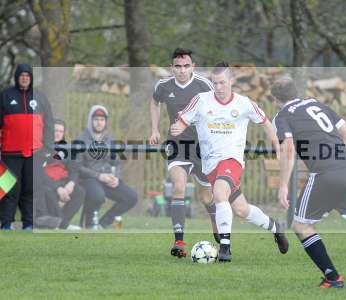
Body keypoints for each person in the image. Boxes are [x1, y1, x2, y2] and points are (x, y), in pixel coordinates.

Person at [171, 62, 288, 262]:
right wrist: (178, 127)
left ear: (231, 81)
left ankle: (225, 248)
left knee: (218, 194)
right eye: (215, 83)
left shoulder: (243, 103)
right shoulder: (201, 100)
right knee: (241, 209)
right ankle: (276, 227)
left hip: (232, 160)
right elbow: (182, 119)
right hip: (210, 165)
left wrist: (277, 146)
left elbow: (266, 122)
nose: (218, 87)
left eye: (222, 83)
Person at [271, 76, 346, 288]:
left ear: (275, 100)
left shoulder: (281, 116)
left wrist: (283, 185)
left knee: (300, 225)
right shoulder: (316, 103)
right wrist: (340, 157)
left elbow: (288, 150)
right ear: (295, 92)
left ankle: (333, 277)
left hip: (325, 175)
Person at [149, 48, 218, 257]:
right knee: (178, 187)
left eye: (186, 66)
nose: (181, 70)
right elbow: (154, 102)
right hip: (177, 146)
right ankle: (179, 241)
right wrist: (155, 129)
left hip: (202, 148)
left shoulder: (203, 85)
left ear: (192, 67)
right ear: (172, 68)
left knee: (206, 196)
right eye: (177, 66)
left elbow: (216, 108)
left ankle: (215, 220)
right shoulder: (163, 86)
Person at [0, 63, 54, 230]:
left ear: (31, 78)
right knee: (9, 189)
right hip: (9, 153)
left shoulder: (40, 98)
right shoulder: (5, 96)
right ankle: (6, 224)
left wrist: (47, 149)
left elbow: (49, 125)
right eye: (22, 75)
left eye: (28, 75)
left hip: (35, 153)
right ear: (17, 77)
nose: (25, 78)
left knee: (30, 190)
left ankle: (28, 224)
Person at [77, 105, 138, 228]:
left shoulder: (110, 140)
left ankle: (103, 224)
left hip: (108, 179)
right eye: (96, 119)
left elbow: (116, 163)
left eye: (102, 120)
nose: (99, 123)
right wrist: (99, 176)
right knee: (97, 196)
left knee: (131, 197)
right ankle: (88, 224)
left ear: (106, 122)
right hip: (89, 179)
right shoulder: (81, 140)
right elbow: (78, 167)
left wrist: (116, 177)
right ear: (90, 120)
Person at [38, 119, 85, 230]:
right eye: (55, 130)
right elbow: (39, 172)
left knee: (80, 192)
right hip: (46, 183)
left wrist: (71, 183)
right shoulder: (41, 147)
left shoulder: (66, 149)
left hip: (62, 181)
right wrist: (57, 187)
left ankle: (61, 223)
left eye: (61, 131)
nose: (58, 133)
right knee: (48, 192)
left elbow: (74, 170)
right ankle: (62, 224)